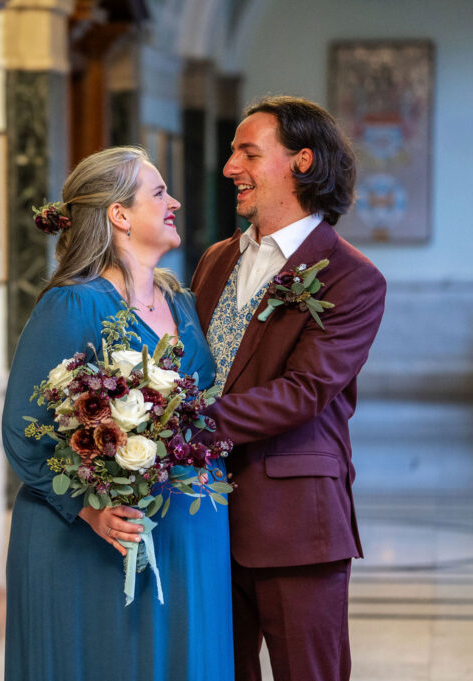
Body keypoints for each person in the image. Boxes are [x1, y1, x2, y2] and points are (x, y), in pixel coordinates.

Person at [2, 146, 233, 681]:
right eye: (158, 192)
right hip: (93, 540)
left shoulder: (182, 302)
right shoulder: (73, 304)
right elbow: (24, 429)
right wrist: (91, 511)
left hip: (188, 533)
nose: (174, 201)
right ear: (119, 214)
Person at [191, 95, 387, 681]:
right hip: (200, 516)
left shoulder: (352, 277)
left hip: (294, 524)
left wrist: (181, 425)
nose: (230, 168)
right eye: (231, 153)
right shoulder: (216, 259)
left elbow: (304, 391)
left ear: (302, 162)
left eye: (248, 153)